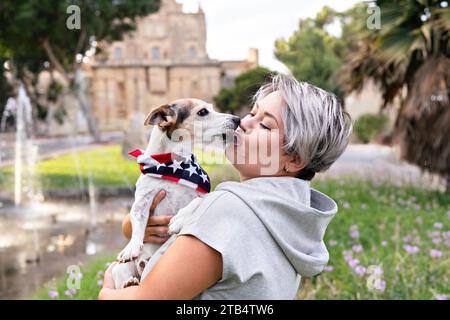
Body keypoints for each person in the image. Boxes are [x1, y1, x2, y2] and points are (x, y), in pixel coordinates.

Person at [99, 73, 352, 299]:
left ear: (295, 159)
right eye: (252, 113)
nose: (242, 122)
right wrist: (133, 226)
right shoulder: (294, 215)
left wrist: (107, 289)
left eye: (265, 124)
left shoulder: (225, 211)